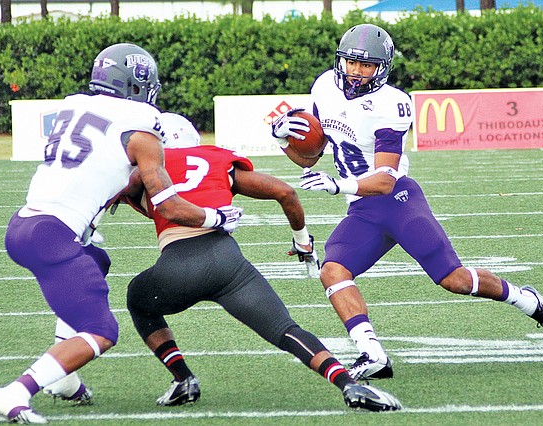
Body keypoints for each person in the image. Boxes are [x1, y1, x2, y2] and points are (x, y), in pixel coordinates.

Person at [271, 24, 543, 381]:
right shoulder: (323, 86)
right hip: (363, 209)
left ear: (382, 68)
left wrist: (337, 186)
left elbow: (384, 179)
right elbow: (309, 157)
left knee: (454, 280)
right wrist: (282, 140)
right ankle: (372, 352)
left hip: (398, 200)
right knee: (332, 270)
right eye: (351, 62)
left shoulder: (391, 104)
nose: (356, 71)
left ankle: (527, 300)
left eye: (366, 66)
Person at [0, 43, 242, 424]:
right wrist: (216, 218)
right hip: (53, 235)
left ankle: (65, 379)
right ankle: (16, 392)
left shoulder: (74, 105)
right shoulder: (141, 123)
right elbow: (169, 207)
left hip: (24, 224)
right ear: (138, 83)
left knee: (96, 259)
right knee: (101, 331)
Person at [123, 112, 401, 412]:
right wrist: (302, 241)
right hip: (227, 263)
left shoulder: (147, 168)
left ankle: (183, 378)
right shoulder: (216, 158)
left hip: (176, 266)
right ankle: (349, 384)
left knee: (138, 299)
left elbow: (118, 194)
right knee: (286, 330)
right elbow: (285, 192)